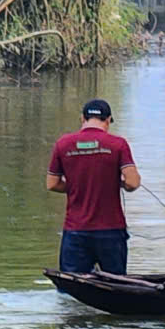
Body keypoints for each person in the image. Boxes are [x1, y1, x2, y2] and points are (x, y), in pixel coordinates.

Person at [46, 97, 140, 274]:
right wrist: (116, 183)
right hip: (111, 231)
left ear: (82, 119)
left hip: (75, 230)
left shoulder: (63, 144)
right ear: (107, 120)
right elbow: (132, 182)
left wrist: (75, 186)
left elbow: (52, 184)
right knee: (116, 286)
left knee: (71, 288)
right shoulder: (118, 144)